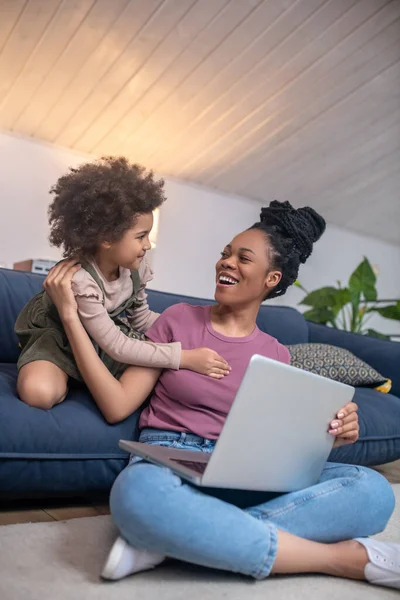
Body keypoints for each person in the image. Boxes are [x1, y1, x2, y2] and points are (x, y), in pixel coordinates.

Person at [43, 201, 399, 590]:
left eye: (243, 258)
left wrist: (334, 432)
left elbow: (280, 447)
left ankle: (170, 541)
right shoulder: (176, 320)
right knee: (137, 496)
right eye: (225, 253)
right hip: (169, 460)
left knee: (372, 491)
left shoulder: (278, 354)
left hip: (242, 469)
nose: (226, 262)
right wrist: (70, 317)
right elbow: (117, 406)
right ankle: (341, 560)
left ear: (271, 278)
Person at [15, 157, 230, 410]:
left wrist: (187, 331)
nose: (147, 245)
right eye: (141, 236)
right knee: (38, 393)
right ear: (107, 238)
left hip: (104, 337)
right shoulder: (81, 281)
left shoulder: (136, 269)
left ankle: (88, 376)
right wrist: (184, 357)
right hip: (61, 338)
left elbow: (140, 319)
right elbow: (117, 346)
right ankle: (63, 371)